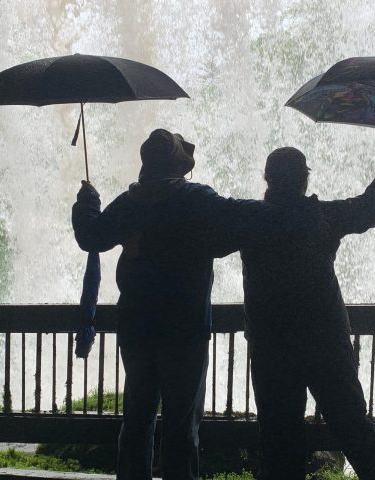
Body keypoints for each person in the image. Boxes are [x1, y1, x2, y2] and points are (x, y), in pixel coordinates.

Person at [71, 129, 296, 480]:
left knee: (137, 420)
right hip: (185, 330)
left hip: (137, 329)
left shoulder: (130, 203)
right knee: (181, 423)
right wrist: (288, 205)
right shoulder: (197, 201)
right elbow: (242, 218)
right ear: (180, 167)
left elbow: (91, 236)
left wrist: (87, 200)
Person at [240, 147, 375, 480]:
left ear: (267, 178)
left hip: (272, 346)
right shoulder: (321, 216)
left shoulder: (248, 219)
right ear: (304, 178)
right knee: (354, 426)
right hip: (325, 341)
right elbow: (369, 209)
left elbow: (203, 226)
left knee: (280, 438)